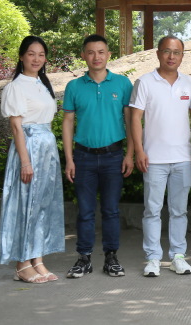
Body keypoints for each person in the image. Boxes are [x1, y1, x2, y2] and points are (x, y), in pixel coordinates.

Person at [0, 36, 64, 283]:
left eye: (41, 54)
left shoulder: (43, 84)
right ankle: (22, 264)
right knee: (26, 204)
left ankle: (37, 259)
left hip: (46, 150)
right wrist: (25, 162)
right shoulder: (15, 87)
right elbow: (16, 128)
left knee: (42, 204)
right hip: (29, 149)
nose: (36, 59)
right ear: (22, 56)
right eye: (31, 54)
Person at [62, 34, 134, 278]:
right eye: (91, 52)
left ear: (109, 55)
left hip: (114, 156)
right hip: (83, 157)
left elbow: (130, 121)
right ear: (83, 55)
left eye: (101, 52)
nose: (96, 57)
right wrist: (69, 159)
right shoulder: (74, 87)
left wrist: (130, 154)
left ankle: (111, 258)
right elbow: (68, 122)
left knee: (111, 210)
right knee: (85, 211)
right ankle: (84, 258)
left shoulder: (122, 84)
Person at [129, 35, 191, 277]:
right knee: (152, 211)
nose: (171, 56)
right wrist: (139, 150)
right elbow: (135, 118)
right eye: (167, 51)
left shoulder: (190, 84)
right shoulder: (145, 82)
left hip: (183, 159)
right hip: (153, 159)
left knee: (179, 211)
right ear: (158, 53)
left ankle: (178, 256)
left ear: (182, 56)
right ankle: (153, 258)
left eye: (176, 52)